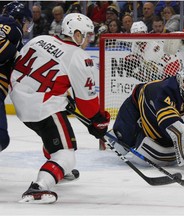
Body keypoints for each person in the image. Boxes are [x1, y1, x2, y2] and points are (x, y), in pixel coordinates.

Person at [9, 13, 110, 204]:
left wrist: (61, 94)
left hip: (19, 100)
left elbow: (20, 67)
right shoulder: (80, 57)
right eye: (87, 35)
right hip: (42, 108)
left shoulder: (39, 39)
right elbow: (87, 105)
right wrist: (99, 120)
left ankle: (58, 168)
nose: (89, 39)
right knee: (66, 153)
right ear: (76, 34)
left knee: (52, 134)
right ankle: (39, 187)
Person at [109, 66, 184, 170]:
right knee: (122, 144)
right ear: (180, 80)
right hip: (137, 103)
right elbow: (171, 124)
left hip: (154, 107)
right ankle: (117, 134)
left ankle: (139, 133)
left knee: (175, 129)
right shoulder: (165, 91)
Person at [0, 2, 31, 152]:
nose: (27, 29)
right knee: (1, 138)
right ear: (22, 19)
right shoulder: (15, 28)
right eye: (27, 24)